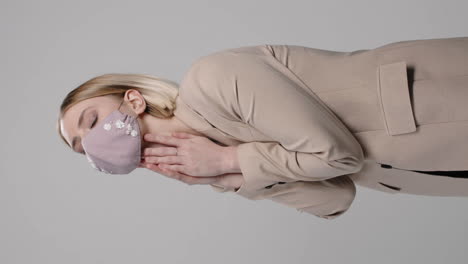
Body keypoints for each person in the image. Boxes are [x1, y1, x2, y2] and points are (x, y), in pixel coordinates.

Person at [58, 36, 468, 220]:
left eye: (90, 121)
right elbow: (336, 199)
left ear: (132, 99)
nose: (93, 142)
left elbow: (339, 156)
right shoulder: (207, 157)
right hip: (431, 165)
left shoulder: (212, 78)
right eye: (82, 148)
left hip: (441, 101)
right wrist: (225, 175)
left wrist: (228, 158)